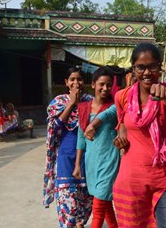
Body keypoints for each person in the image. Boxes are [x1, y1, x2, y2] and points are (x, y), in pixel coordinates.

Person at [112, 42, 166, 227]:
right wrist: (121, 140)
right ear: (133, 69)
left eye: (152, 66)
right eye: (141, 67)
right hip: (131, 178)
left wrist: (164, 94)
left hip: (164, 176)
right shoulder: (122, 96)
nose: (147, 72)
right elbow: (122, 125)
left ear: (159, 66)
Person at [43, 67, 93, 228]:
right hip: (65, 158)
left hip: (87, 158)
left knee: (85, 202)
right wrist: (71, 104)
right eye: (72, 79)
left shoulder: (90, 102)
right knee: (67, 204)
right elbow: (54, 128)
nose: (76, 83)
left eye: (79, 79)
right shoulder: (59, 102)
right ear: (66, 82)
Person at [73, 66, 120, 228]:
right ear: (93, 85)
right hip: (92, 162)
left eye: (109, 85)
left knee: (98, 208)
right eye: (101, 84)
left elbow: (105, 116)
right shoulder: (83, 108)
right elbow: (81, 138)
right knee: (105, 204)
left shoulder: (114, 107)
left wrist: (93, 124)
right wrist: (78, 165)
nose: (105, 88)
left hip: (110, 160)